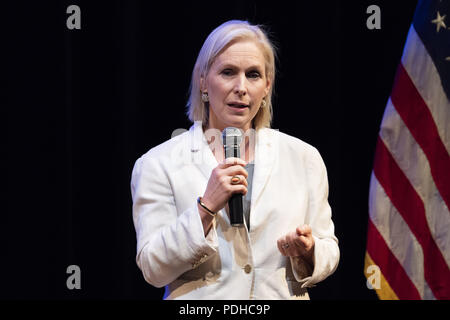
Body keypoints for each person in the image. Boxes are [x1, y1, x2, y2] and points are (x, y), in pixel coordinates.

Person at [130, 20, 339, 300]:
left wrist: (309, 251)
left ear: (267, 86)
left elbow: (329, 249)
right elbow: (152, 268)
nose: (241, 87)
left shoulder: (303, 158)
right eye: (228, 72)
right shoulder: (158, 163)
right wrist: (205, 210)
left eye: (253, 75)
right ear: (203, 81)